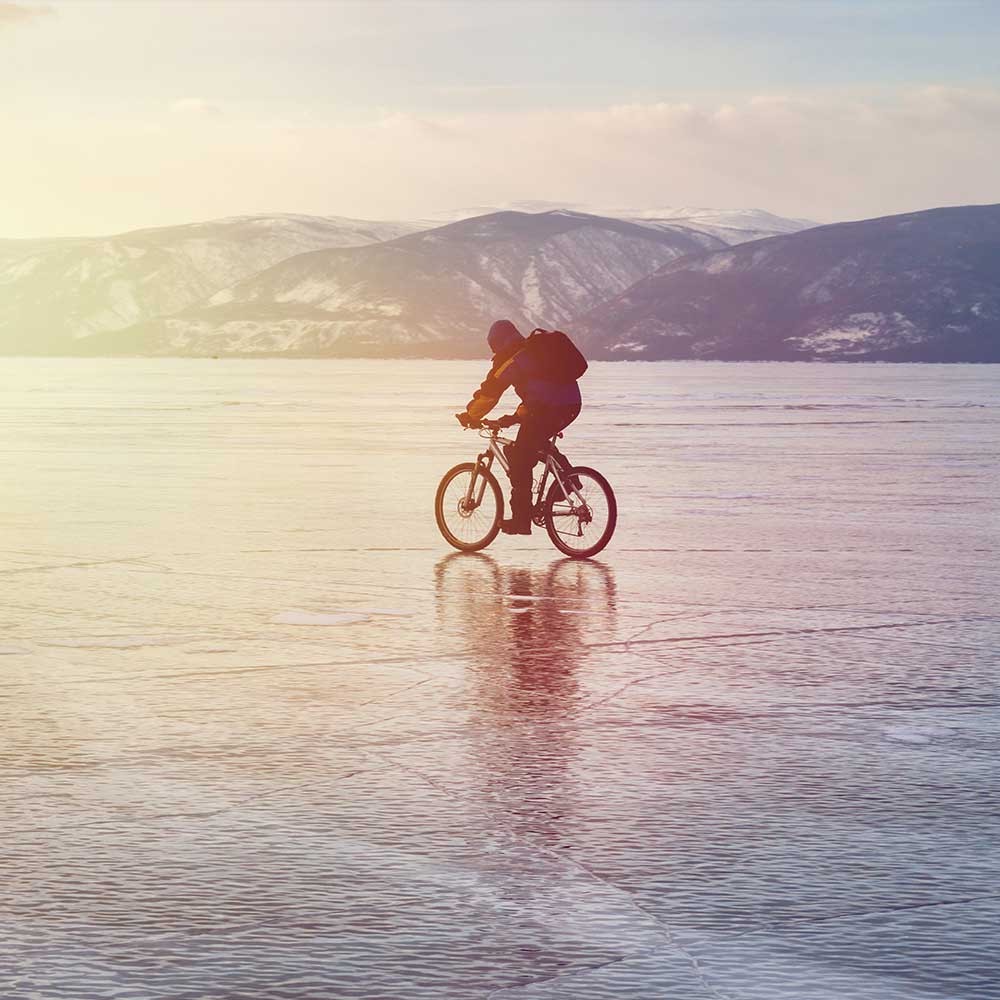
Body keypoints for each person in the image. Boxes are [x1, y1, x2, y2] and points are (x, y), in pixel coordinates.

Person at [456, 319, 581, 535]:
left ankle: (521, 520)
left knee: (519, 456)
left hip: (550, 408)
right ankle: (569, 481)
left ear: (498, 342)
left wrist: (470, 415)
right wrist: (515, 417)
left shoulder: (513, 360)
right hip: (569, 404)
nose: (493, 350)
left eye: (493, 345)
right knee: (534, 441)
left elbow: (490, 393)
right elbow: (539, 392)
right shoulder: (531, 352)